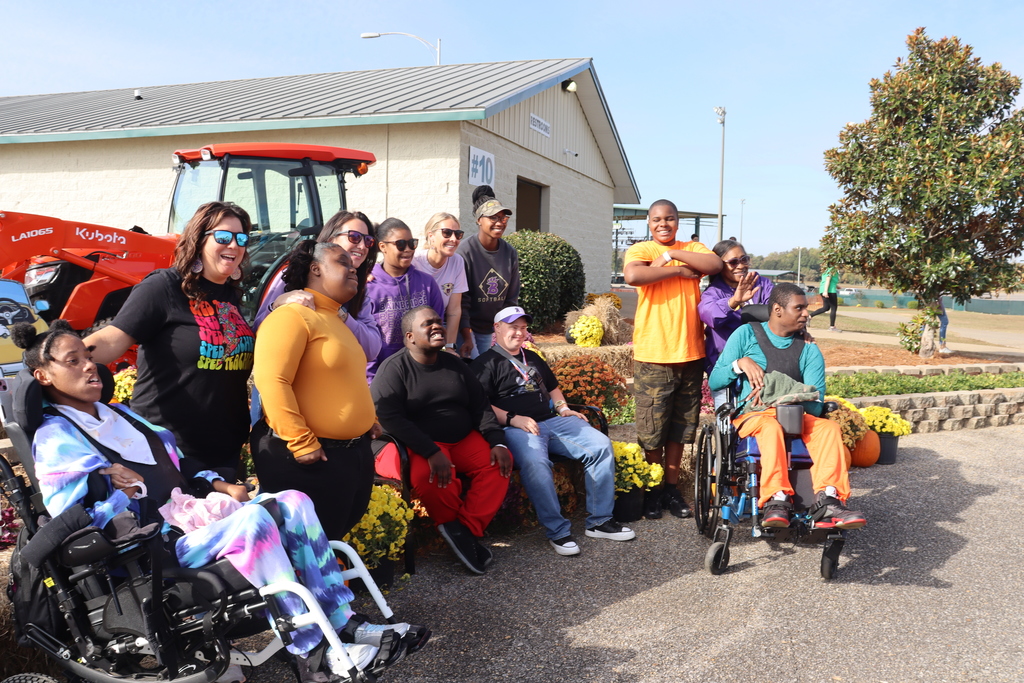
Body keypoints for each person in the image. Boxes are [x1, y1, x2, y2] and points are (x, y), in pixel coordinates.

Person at [13, 320, 426, 679]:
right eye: (72, 360)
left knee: (294, 501)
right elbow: (72, 518)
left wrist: (218, 483)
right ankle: (313, 653)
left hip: (191, 522)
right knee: (254, 524)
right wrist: (111, 487)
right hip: (151, 549)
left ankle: (343, 623)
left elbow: (177, 461)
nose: (89, 364)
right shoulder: (56, 440)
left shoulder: (119, 414)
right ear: (43, 376)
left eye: (88, 354)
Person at [84, 202, 255, 475]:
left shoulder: (232, 296)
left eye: (241, 238)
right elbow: (112, 339)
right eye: (223, 237)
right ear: (199, 239)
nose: (233, 245)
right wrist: (62, 361)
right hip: (169, 450)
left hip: (225, 450)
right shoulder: (164, 286)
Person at [471, 306, 635, 556]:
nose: (519, 333)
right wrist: (514, 419)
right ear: (497, 328)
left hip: (551, 420)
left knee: (600, 445)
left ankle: (599, 522)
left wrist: (563, 408)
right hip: (516, 428)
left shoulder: (533, 358)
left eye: (523, 328)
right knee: (536, 462)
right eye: (513, 327)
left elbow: (554, 387)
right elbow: (480, 406)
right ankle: (558, 531)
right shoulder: (485, 364)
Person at [252, 241, 382, 543]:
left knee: (329, 540)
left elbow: (343, 379)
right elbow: (272, 380)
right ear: (316, 269)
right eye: (343, 263)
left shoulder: (336, 320)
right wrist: (300, 442)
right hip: (311, 458)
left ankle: (321, 588)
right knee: (304, 550)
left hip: (350, 454)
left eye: (356, 266)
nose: (354, 269)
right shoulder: (291, 316)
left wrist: (367, 419)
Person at [707, 284, 867, 530]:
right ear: (778, 310)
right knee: (771, 427)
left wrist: (786, 396)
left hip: (794, 415)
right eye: (799, 308)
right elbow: (716, 381)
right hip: (755, 415)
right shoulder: (745, 335)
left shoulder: (809, 350)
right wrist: (739, 364)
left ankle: (830, 500)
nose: (806, 314)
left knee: (829, 429)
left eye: (807, 308)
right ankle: (776, 498)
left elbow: (814, 405)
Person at [371, 306, 512, 575]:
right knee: (432, 477)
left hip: (461, 439)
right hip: (417, 443)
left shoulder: (455, 364)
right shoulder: (393, 369)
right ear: (410, 337)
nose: (437, 326)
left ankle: (463, 532)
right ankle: (457, 532)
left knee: (499, 464)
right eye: (428, 324)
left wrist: (498, 441)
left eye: (439, 321)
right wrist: (430, 450)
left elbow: (480, 406)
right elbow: (390, 418)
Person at [624, 199, 723, 521]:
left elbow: (715, 266)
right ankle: (652, 490)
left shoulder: (693, 246)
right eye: (656, 219)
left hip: (689, 354)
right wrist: (679, 269)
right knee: (652, 432)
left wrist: (674, 254)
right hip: (654, 356)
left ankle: (671, 487)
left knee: (680, 431)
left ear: (678, 222)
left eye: (669, 219)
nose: (663, 224)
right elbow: (633, 276)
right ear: (649, 223)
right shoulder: (641, 250)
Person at [254, 210, 382, 360]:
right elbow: (259, 330)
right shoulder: (293, 274)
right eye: (354, 237)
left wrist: (340, 314)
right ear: (330, 239)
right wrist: (276, 305)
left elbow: (372, 350)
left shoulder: (358, 288)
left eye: (368, 241)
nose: (362, 246)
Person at [364, 218, 445, 381]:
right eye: (401, 244)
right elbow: (365, 340)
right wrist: (371, 381)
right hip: (383, 375)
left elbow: (439, 325)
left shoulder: (427, 283)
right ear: (382, 247)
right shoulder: (369, 287)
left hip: (423, 373)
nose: (408, 249)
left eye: (412, 243)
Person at [698, 239, 774, 408]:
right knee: (729, 423)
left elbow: (779, 310)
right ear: (719, 266)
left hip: (763, 362)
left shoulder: (762, 284)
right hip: (726, 364)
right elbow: (709, 316)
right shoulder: (713, 292)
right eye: (733, 262)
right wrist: (733, 301)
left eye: (744, 259)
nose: (740, 266)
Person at [457, 185, 520, 358]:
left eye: (503, 218)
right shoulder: (465, 252)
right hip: (465, 327)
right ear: (479, 220)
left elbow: (511, 298)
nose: (500, 222)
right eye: (493, 217)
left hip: (490, 328)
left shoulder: (510, 253)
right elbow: (462, 301)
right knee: (476, 370)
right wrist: (467, 336)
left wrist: (506, 331)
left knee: (490, 372)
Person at [412, 212, 470, 355]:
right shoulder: (414, 261)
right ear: (431, 236)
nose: (453, 239)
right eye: (447, 233)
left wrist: (450, 347)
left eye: (458, 234)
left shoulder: (457, 261)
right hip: (413, 330)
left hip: (440, 326)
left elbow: (454, 310)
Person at [819, 265, 840, 332]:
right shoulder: (832, 269)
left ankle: (810, 316)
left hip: (823, 290)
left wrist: (837, 286)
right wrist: (826, 291)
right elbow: (828, 280)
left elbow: (829, 281)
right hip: (830, 291)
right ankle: (832, 327)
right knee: (833, 308)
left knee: (826, 308)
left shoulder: (826, 270)